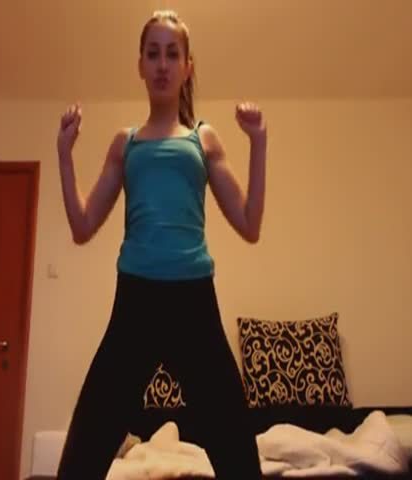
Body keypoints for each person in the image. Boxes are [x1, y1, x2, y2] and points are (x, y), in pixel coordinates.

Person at [55, 9, 266, 480]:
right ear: (141, 65)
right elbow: (82, 226)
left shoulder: (202, 139)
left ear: (188, 66)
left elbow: (249, 224)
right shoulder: (125, 143)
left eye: (173, 54)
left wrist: (258, 142)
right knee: (85, 447)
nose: (163, 64)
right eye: (153, 54)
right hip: (136, 298)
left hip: (194, 299)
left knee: (236, 449)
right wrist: (65, 156)